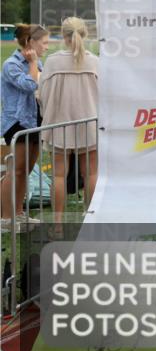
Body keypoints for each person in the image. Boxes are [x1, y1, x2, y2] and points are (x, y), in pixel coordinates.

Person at [39, 17, 99, 222]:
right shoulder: (95, 61)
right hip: (89, 124)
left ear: (62, 36)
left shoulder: (53, 61)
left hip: (59, 125)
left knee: (58, 176)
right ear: (84, 34)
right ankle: (90, 219)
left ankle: (57, 225)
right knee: (90, 174)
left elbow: (43, 94)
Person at [1, 24, 50, 225]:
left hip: (35, 120)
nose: (47, 47)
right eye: (44, 42)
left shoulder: (38, 64)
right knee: (16, 170)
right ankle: (5, 217)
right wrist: (32, 63)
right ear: (31, 42)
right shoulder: (11, 64)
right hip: (17, 122)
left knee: (27, 170)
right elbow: (30, 85)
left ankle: (18, 212)